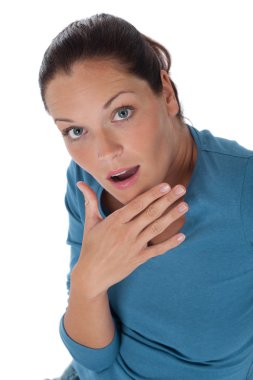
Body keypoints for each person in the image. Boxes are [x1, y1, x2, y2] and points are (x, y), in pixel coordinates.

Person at [39, 13, 253, 380]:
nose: (104, 153)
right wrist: (88, 282)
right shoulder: (86, 183)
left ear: (166, 93)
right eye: (76, 130)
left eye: (121, 113)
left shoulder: (243, 191)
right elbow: (92, 360)